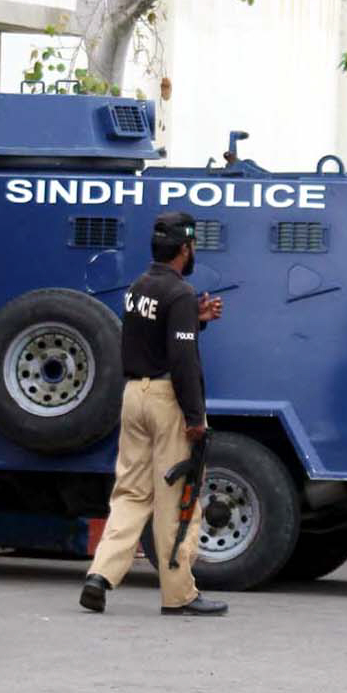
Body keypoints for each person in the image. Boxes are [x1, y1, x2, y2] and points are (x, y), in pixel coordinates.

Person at [80, 209, 228, 617]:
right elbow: (182, 359)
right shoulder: (180, 293)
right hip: (166, 401)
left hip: (134, 396)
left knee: (130, 491)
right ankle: (179, 592)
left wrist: (194, 320)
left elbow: (155, 334)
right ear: (185, 248)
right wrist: (195, 417)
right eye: (192, 246)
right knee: (177, 497)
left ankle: (100, 575)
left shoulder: (138, 287)